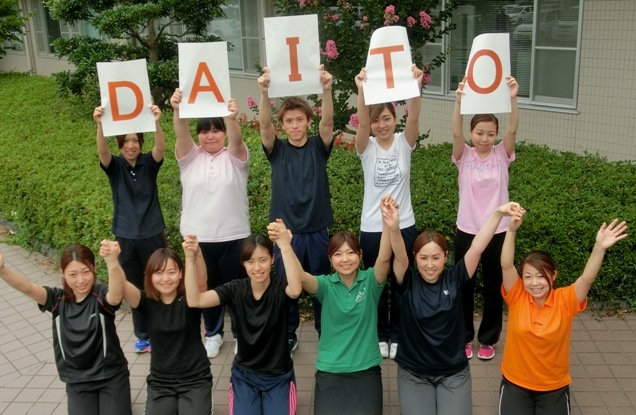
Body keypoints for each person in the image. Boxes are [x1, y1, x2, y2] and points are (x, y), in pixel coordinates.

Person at [392, 202, 523, 415]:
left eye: (436, 257)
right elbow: (399, 255)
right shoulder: (407, 282)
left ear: (446, 256)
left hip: (453, 373)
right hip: (413, 373)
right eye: (423, 258)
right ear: (415, 259)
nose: (430, 264)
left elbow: (478, 246)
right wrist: (394, 228)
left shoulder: (455, 278)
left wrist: (498, 214)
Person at [283, 195, 404, 415]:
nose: (345, 259)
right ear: (330, 260)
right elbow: (299, 276)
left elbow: (385, 259)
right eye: (338, 254)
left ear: (360, 255)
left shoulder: (370, 281)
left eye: (350, 253)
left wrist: (387, 222)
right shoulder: (325, 286)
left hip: (366, 369)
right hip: (330, 370)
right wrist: (285, 246)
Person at [499, 213, 627, 415]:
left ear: (554, 275)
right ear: (521, 279)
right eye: (528, 277)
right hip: (515, 383)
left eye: (541, 276)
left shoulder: (565, 300)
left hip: (553, 387)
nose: (534, 283)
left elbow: (586, 279)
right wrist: (511, 230)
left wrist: (599, 248)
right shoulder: (517, 296)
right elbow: (506, 264)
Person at [184, 221, 302, 414]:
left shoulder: (281, 288)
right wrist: (190, 259)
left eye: (263, 260)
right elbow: (195, 300)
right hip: (245, 375)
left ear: (272, 259)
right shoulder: (235, 289)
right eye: (250, 261)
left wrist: (285, 245)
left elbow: (296, 289)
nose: (257, 267)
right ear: (243, 263)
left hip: (279, 375)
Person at [0, 241, 131, 415]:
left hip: (111, 376)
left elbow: (115, 297)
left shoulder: (101, 295)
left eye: (86, 272)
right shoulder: (56, 299)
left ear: (93, 267)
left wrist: (112, 261)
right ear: (63, 273)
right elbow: (28, 287)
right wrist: (2, 270)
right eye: (73, 274)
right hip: (77, 380)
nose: (81, 280)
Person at [257, 64, 334, 351]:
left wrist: (326, 89)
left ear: (307, 121)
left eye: (299, 119)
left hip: (316, 231)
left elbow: (328, 122)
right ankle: (289, 333)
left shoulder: (318, 147)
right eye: (288, 121)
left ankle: (326, 332)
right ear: (283, 125)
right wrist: (264, 93)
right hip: (285, 235)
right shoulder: (277, 150)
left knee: (320, 288)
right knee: (288, 288)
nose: (294, 125)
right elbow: (264, 125)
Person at [170, 91, 250, 358]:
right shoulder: (190, 158)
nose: (211, 136)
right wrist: (177, 109)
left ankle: (241, 335)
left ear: (224, 133)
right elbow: (181, 133)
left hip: (234, 236)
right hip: (200, 240)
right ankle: (213, 333)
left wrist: (232, 119)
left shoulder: (236, 158)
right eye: (205, 132)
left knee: (237, 290)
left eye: (216, 130)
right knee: (206, 290)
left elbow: (237, 139)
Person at [354, 65, 423, 359]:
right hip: (372, 227)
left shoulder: (403, 144)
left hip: (403, 225)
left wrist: (416, 87)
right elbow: (359, 126)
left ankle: (399, 333)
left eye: (386, 118)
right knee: (377, 283)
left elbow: (415, 116)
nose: (382, 125)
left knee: (402, 282)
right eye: (376, 120)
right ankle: (381, 333)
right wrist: (361, 90)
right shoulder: (366, 147)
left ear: (395, 119)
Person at [452, 75, 519, 360]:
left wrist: (513, 98)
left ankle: (488, 339)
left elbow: (514, 130)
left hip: (498, 232)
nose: (484, 138)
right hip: (467, 230)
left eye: (490, 133)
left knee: (494, 286)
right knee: (463, 286)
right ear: (471, 132)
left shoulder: (502, 155)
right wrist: (457, 101)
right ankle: (464, 336)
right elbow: (454, 133)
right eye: (479, 132)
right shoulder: (463, 155)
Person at [93, 104, 167, 354]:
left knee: (158, 284)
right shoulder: (114, 167)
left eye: (135, 141)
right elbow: (102, 151)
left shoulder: (149, 163)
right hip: (125, 236)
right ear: (120, 144)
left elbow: (160, 148)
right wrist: (101, 124)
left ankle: (162, 331)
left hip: (153, 233)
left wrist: (157, 121)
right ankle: (143, 335)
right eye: (126, 141)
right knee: (134, 286)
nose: (131, 146)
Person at [122, 237, 212, 415]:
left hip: (195, 379)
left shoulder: (190, 300)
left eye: (171, 272)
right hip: (161, 381)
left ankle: (205, 404)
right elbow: (123, 287)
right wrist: (112, 261)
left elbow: (201, 284)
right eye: (158, 273)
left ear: (180, 274)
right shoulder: (146, 301)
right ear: (150, 276)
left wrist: (195, 255)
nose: (165, 278)